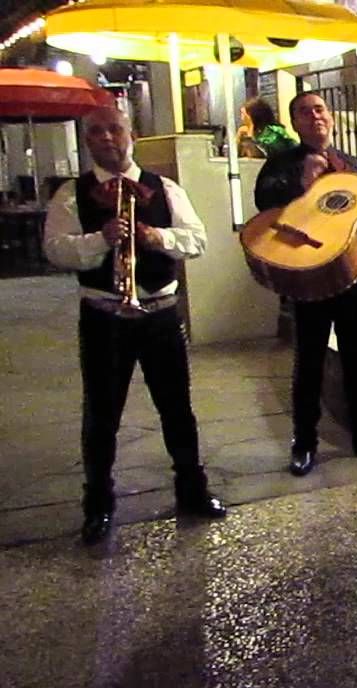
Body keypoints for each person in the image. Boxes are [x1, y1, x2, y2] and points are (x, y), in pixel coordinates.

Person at [43, 106, 227, 545]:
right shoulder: (72, 193)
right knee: (102, 414)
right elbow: (55, 250)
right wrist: (99, 239)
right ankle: (99, 504)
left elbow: (196, 239)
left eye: (115, 129)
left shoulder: (163, 188)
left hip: (160, 313)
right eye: (97, 132)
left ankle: (191, 488)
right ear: (88, 141)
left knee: (177, 408)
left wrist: (156, 237)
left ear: (133, 134)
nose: (107, 138)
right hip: (105, 315)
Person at [254, 91, 357, 476]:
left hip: (354, 271)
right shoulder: (280, 164)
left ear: (330, 117)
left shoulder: (353, 166)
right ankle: (304, 443)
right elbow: (264, 203)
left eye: (319, 109)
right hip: (310, 273)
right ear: (295, 123)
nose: (314, 116)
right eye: (304, 112)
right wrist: (301, 184)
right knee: (310, 359)